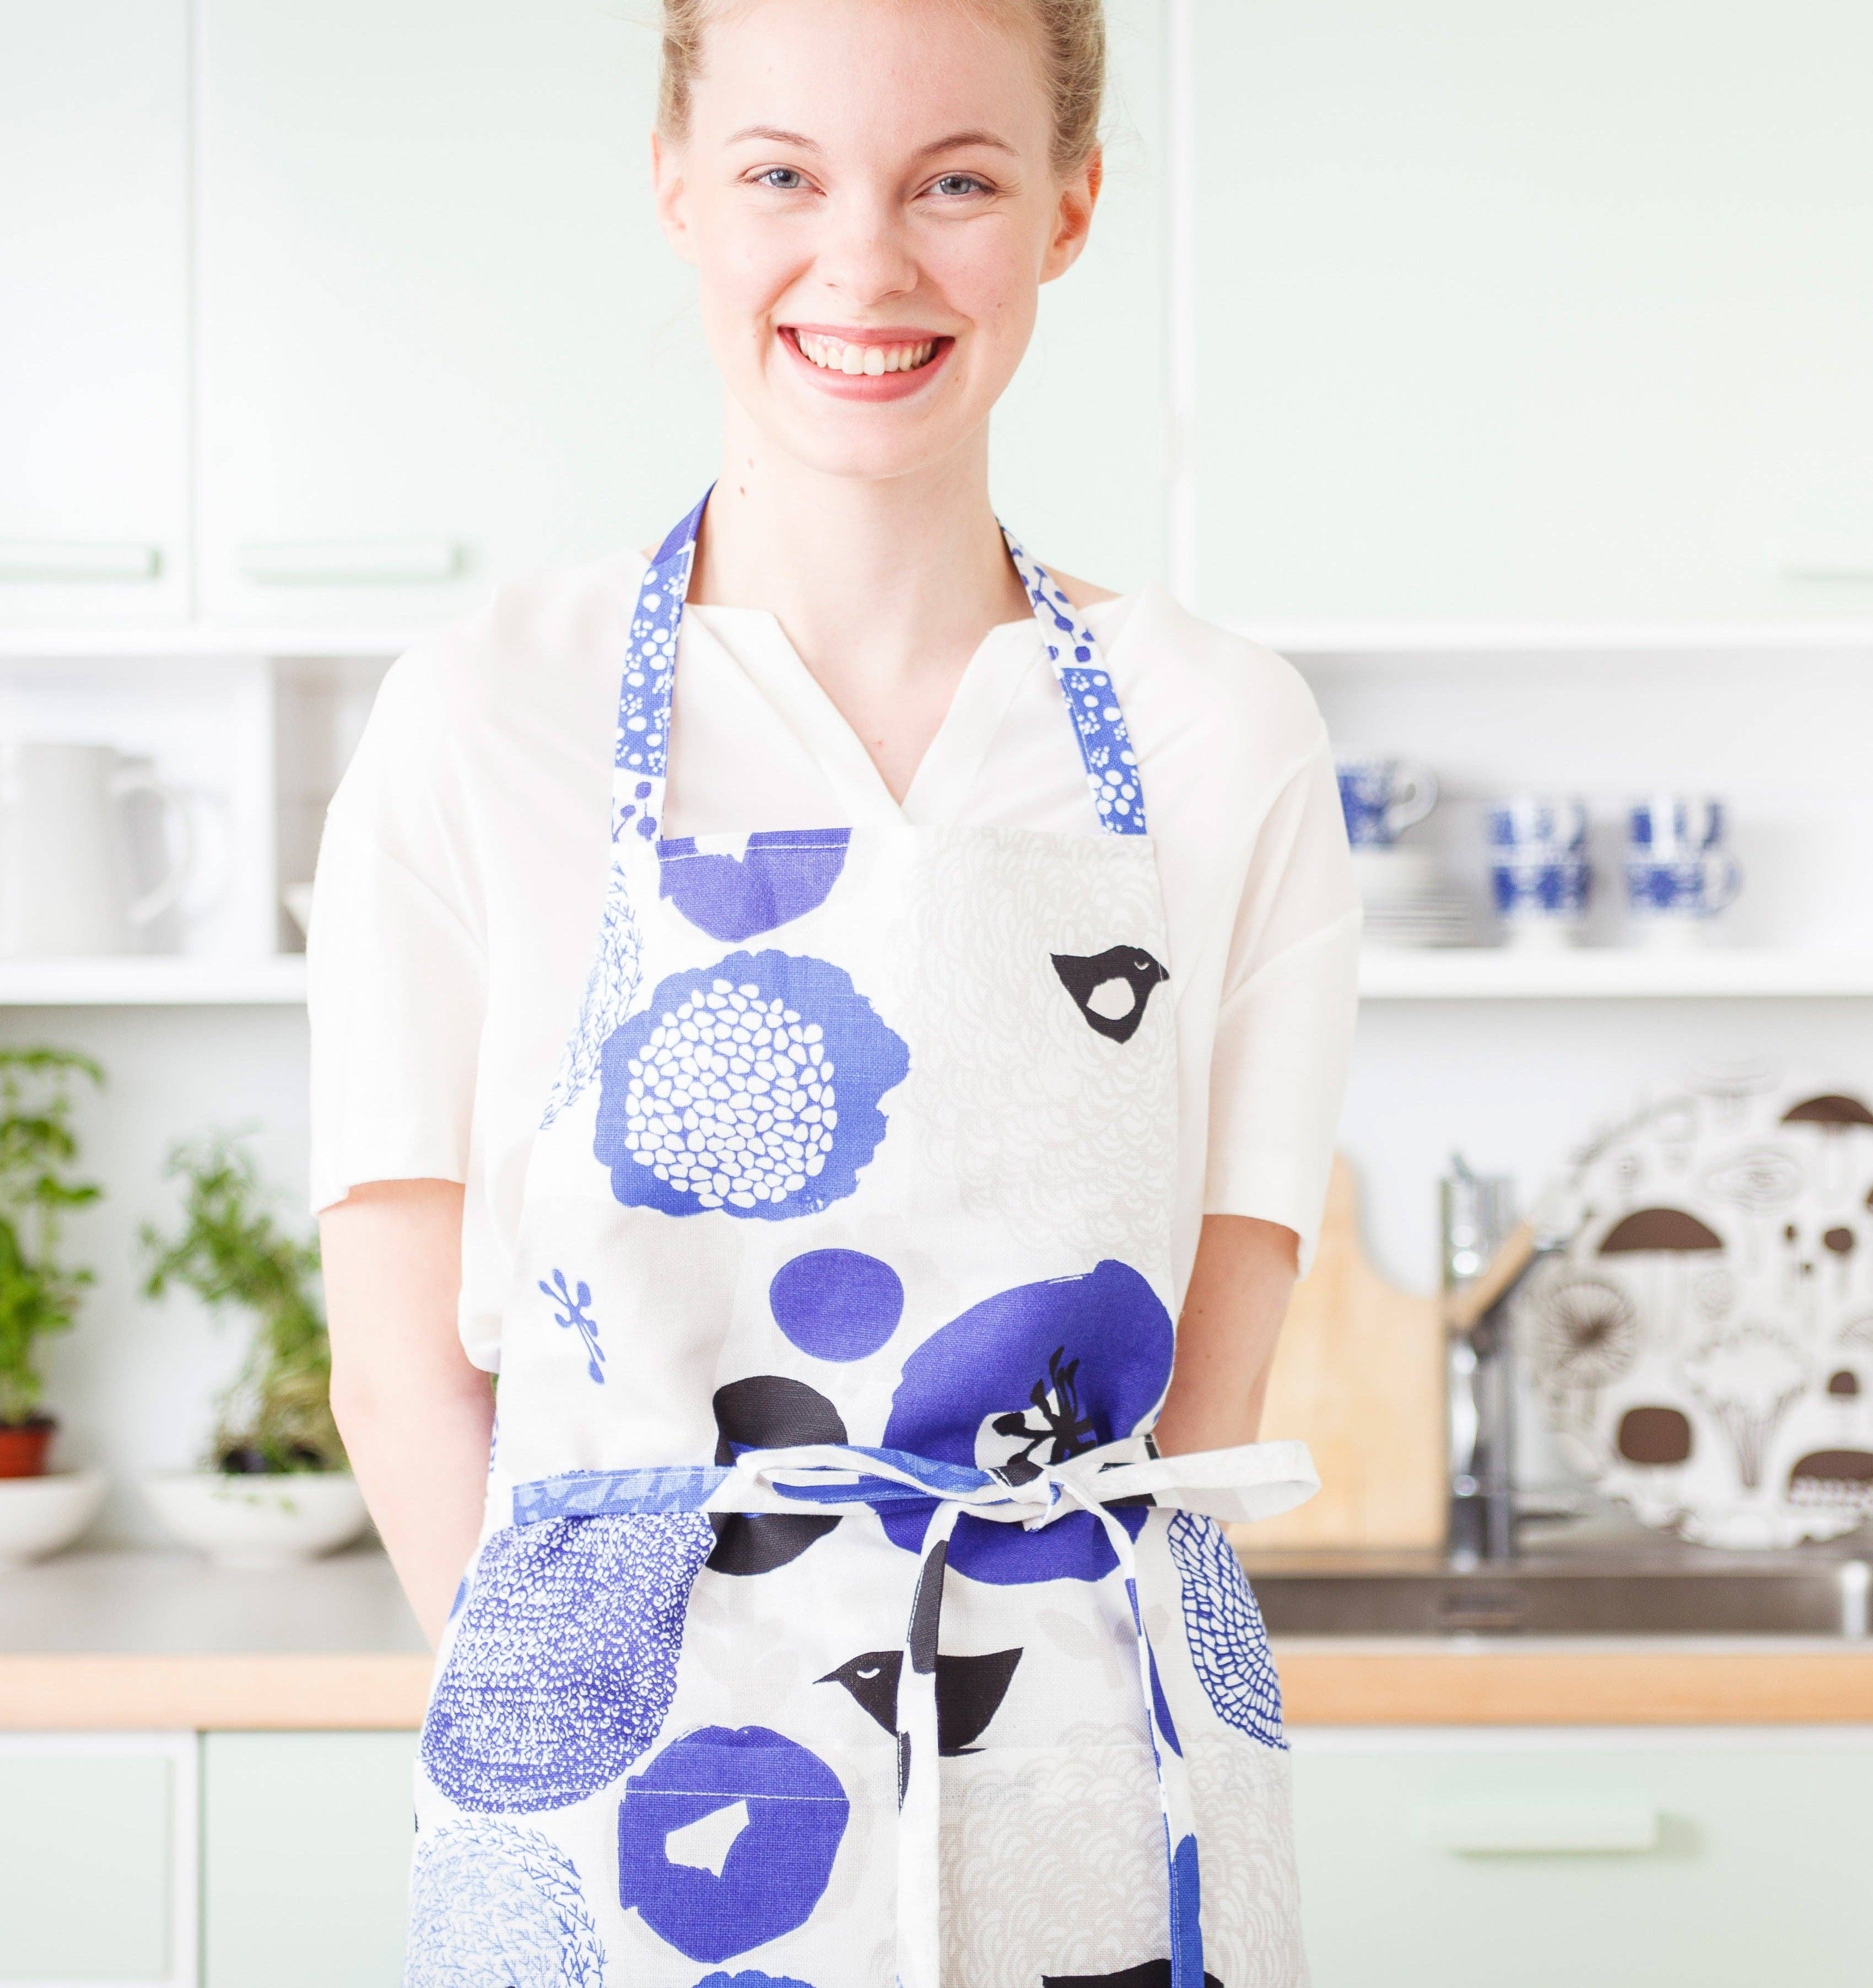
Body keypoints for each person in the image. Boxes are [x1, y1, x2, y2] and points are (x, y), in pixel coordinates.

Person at [310, 1, 1359, 1980]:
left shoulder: (1222, 738)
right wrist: (592, 1759)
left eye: (955, 181)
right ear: (678, 193)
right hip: (625, 1790)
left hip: (1085, 1767)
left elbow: (1206, 1387)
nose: (867, 263)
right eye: (785, 174)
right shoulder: (481, 719)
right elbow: (397, 1369)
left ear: (1068, 209)